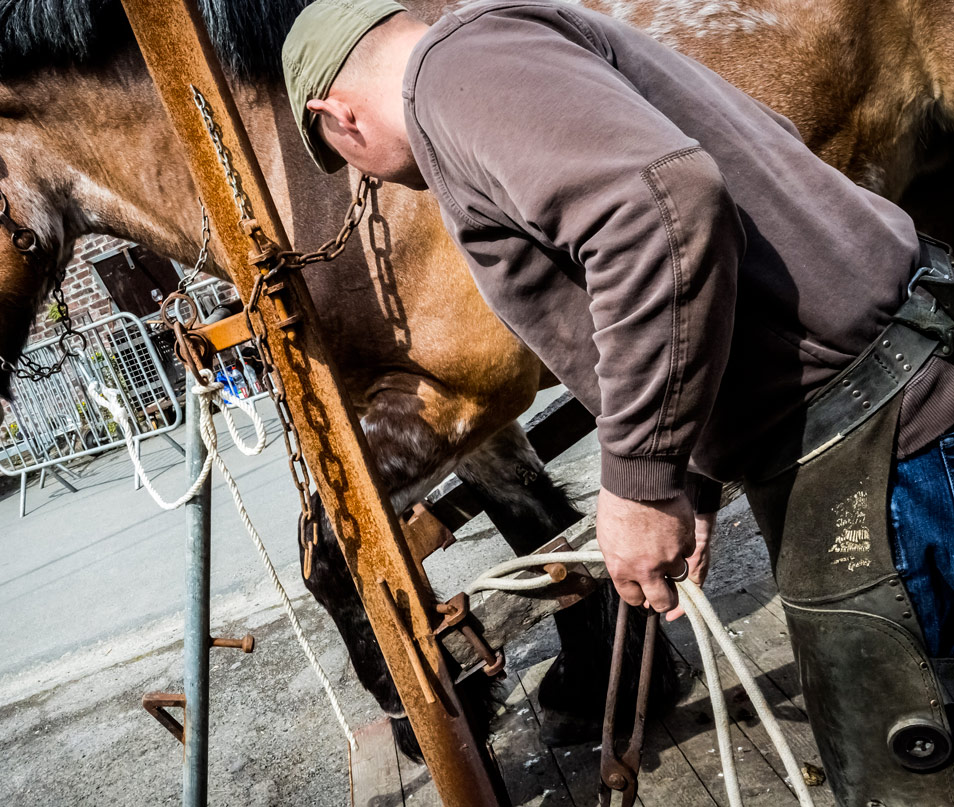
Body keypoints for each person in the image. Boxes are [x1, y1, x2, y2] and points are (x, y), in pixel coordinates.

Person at [281, 1, 954, 803]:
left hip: (872, 454)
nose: (366, 179)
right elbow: (745, 156)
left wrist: (637, 481)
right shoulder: (522, 40)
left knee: (911, 774)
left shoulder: (452, 78)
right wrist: (695, 472)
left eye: (346, 163)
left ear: (338, 117)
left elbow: (659, 207)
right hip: (871, 423)